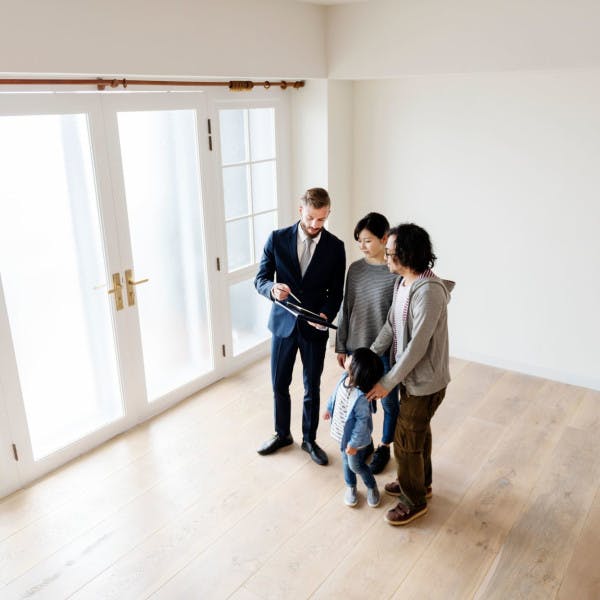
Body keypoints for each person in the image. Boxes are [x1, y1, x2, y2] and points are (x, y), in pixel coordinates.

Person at [367, 223, 455, 526]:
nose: (386, 257)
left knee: (405, 440)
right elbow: (392, 325)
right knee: (418, 434)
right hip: (408, 378)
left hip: (426, 382)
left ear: (407, 255)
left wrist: (387, 383)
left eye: (391, 253)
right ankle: (420, 484)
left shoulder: (428, 292)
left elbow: (417, 346)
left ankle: (413, 500)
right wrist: (370, 353)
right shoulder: (403, 283)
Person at [255, 187, 346, 466]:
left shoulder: (335, 247)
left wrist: (324, 315)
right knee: (279, 383)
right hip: (282, 325)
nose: (315, 225)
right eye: (310, 218)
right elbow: (260, 279)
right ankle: (282, 434)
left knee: (312, 386)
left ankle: (309, 439)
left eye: (321, 219)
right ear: (300, 211)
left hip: (314, 328)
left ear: (328, 213)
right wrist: (273, 289)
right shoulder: (276, 239)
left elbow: (336, 293)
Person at [335, 212, 399, 474]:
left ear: (385, 238)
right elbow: (346, 308)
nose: (361, 246)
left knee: (388, 402)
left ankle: (385, 446)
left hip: (382, 353)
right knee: (360, 401)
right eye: (359, 240)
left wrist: (378, 350)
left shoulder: (395, 272)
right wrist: (341, 345)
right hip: (355, 349)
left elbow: (394, 320)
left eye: (367, 240)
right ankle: (366, 443)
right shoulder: (355, 269)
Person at [324, 348, 384, 507]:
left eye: (351, 358)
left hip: (354, 441)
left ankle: (371, 486)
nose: (348, 357)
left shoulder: (361, 398)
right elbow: (335, 395)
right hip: (342, 435)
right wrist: (329, 408)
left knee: (356, 465)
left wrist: (353, 443)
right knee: (345, 462)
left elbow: (361, 424)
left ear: (356, 370)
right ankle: (351, 486)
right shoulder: (344, 378)